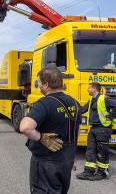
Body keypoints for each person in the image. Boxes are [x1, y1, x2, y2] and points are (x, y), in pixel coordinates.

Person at [20, 66, 81, 194]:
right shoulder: (75, 103)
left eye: (39, 83)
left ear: (46, 84)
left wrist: (41, 138)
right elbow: (76, 130)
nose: (39, 86)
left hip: (46, 164)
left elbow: (25, 127)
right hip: (66, 162)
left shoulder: (44, 103)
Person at [76, 82, 116, 181]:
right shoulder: (91, 99)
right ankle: (88, 172)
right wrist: (72, 105)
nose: (87, 89)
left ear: (94, 89)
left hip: (103, 128)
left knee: (102, 152)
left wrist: (111, 116)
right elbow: (82, 109)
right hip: (93, 128)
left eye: (89, 88)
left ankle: (102, 172)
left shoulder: (103, 98)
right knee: (90, 150)